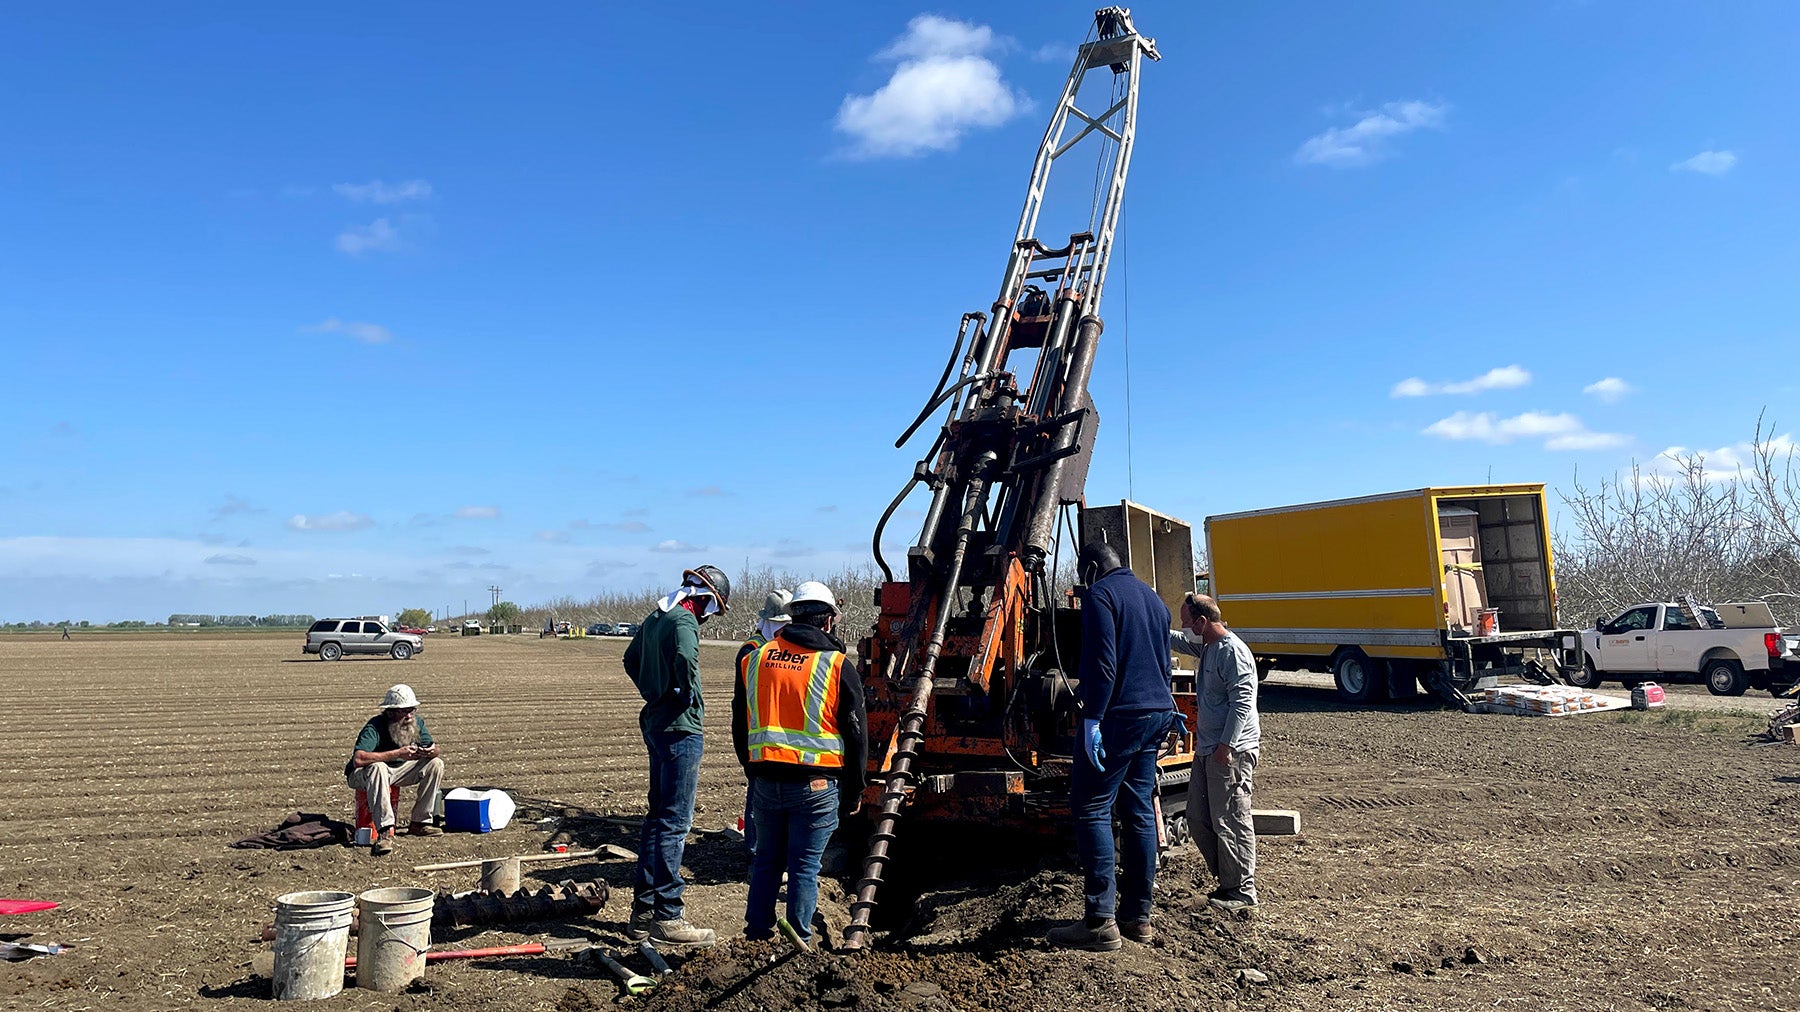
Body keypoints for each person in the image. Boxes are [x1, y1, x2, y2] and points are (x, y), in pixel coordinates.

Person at [1049, 542, 1179, 951]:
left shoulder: (1100, 595)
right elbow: (1163, 663)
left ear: (1091, 569)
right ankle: (1138, 917)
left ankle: (1099, 922)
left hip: (1121, 715)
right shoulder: (1154, 600)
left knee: (1091, 806)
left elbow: (1103, 665)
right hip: (1156, 711)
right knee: (1138, 808)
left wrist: (1091, 719)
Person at [733, 580, 867, 946]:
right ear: (827, 622)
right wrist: (855, 790)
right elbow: (856, 736)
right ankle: (800, 942)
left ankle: (757, 937)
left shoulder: (755, 658)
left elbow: (739, 722)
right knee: (804, 868)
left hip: (765, 782)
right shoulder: (837, 665)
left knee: (766, 862)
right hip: (816, 787)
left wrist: (754, 771)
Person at [622, 564, 732, 947]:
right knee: (675, 823)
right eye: (712, 609)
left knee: (656, 819)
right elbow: (686, 659)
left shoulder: (656, 617)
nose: (709, 616)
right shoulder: (684, 621)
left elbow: (630, 660)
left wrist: (653, 692)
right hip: (681, 729)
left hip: (655, 723)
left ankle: (643, 912)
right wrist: (685, 692)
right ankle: (669, 916)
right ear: (703, 599)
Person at [1174, 592, 1261, 914]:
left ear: (1202, 621)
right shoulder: (1208, 646)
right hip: (1209, 748)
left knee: (1232, 820)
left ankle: (1241, 891)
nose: (1184, 628)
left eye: (1186, 623)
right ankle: (1228, 881)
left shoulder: (1231, 652)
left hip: (1230, 752)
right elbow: (1177, 642)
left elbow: (1243, 704)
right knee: (1198, 818)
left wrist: (1227, 746)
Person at [345, 684, 445, 857]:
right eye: (404, 711)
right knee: (378, 768)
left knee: (436, 763)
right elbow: (359, 759)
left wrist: (429, 751)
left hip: (398, 771)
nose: (409, 716)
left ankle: (420, 823)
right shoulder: (375, 726)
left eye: (412, 710)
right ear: (390, 712)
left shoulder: (416, 722)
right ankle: (384, 832)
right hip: (364, 775)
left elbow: (434, 748)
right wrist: (397, 754)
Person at [737, 589, 794, 861]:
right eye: (781, 623)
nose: (785, 629)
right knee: (757, 797)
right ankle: (755, 851)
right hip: (757, 735)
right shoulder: (752, 651)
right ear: (769, 621)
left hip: (776, 734)